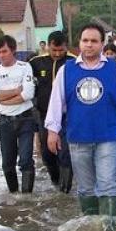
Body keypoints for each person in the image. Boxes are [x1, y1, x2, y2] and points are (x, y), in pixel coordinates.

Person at [44, 23, 116, 231]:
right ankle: (92, 229)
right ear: (79, 43)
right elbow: (56, 102)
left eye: (94, 41)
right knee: (86, 188)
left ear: (101, 44)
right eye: (85, 41)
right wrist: (52, 131)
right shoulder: (66, 70)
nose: (89, 45)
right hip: (78, 137)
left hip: (108, 137)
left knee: (108, 184)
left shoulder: (114, 68)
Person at [0, 35, 38, 193]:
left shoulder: (25, 67)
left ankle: (27, 197)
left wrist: (4, 99)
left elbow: (28, 94)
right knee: (7, 163)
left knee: (25, 160)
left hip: (25, 119)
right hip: (5, 122)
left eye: (4, 51)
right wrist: (15, 91)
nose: (1, 55)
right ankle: (14, 195)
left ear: (13, 50)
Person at [30, 31, 75, 192]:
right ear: (47, 46)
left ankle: (65, 191)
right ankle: (56, 183)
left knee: (65, 153)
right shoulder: (35, 62)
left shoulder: (73, 62)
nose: (57, 54)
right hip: (44, 115)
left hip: (67, 117)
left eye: (60, 50)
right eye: (53, 50)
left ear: (66, 47)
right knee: (47, 153)